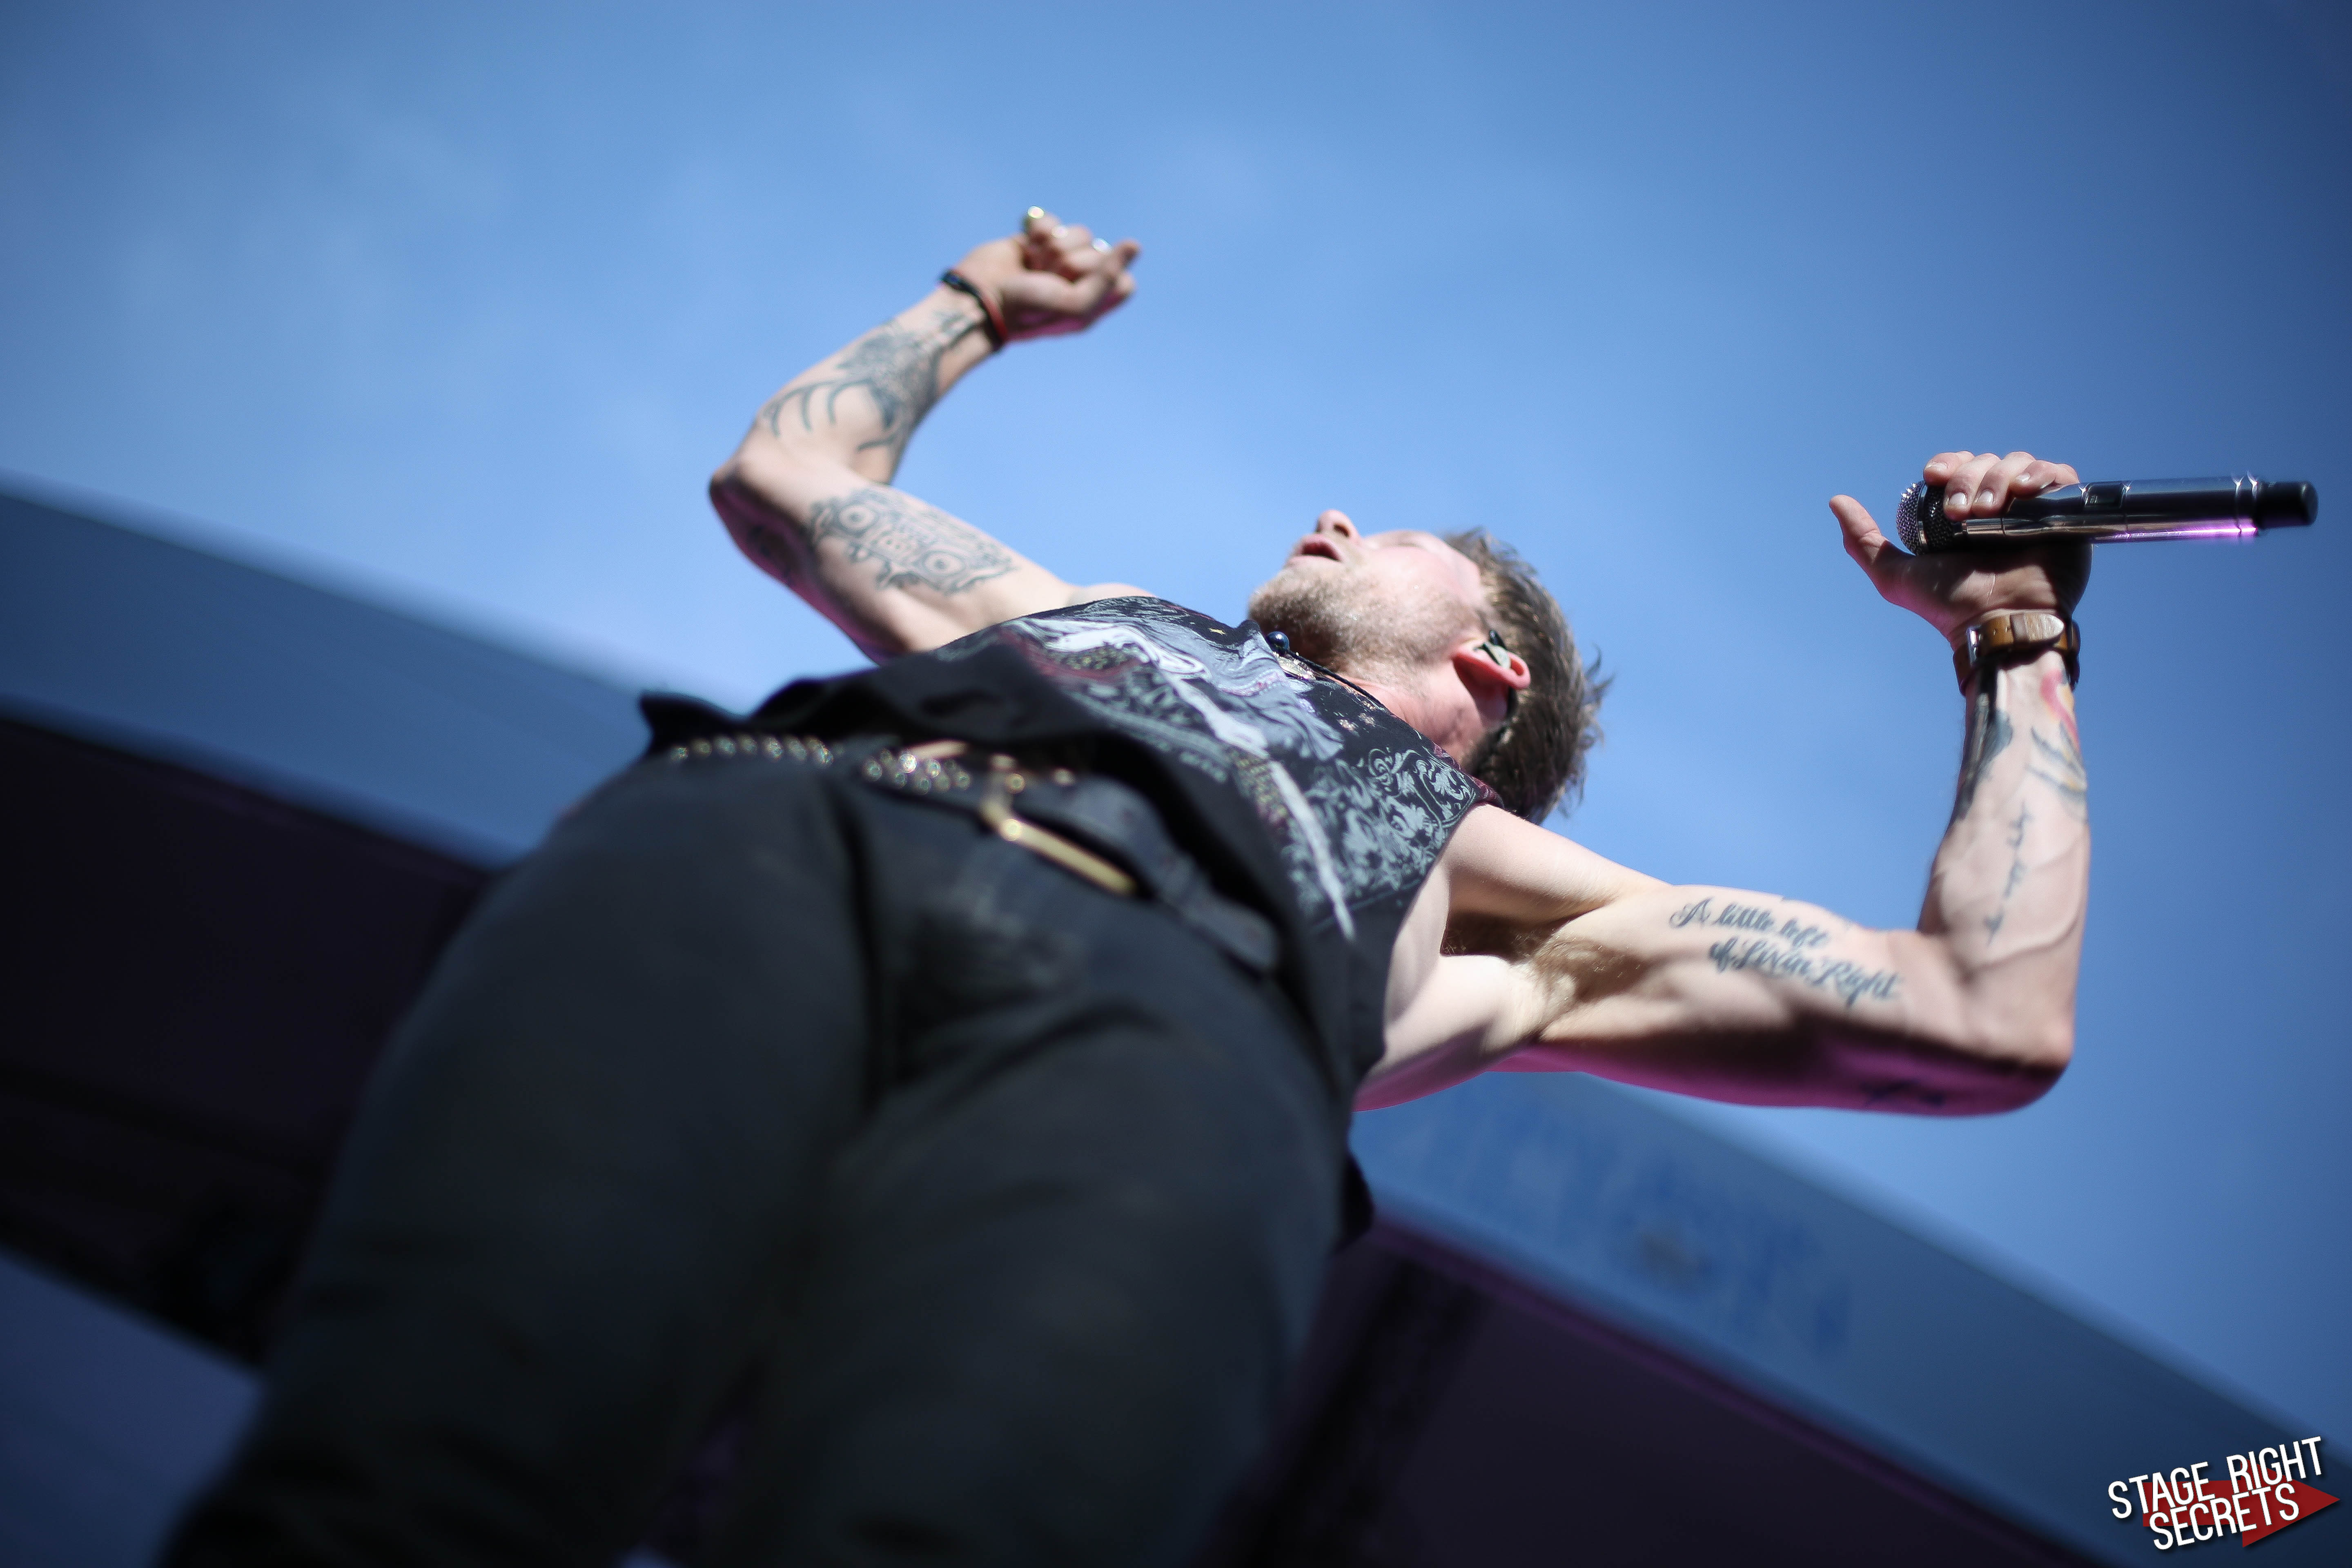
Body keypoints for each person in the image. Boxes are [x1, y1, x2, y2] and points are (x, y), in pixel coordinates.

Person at [169, 211, 2091, 1567]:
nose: (1327, 518)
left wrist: (2012, 636)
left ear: (1490, 665)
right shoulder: (1073, 620)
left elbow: (1982, 1012)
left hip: (1184, 1040)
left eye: (1390, 536)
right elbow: (789, 479)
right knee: (402, 1482)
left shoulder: (1516, 900)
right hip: (783, 842)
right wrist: (973, 307)